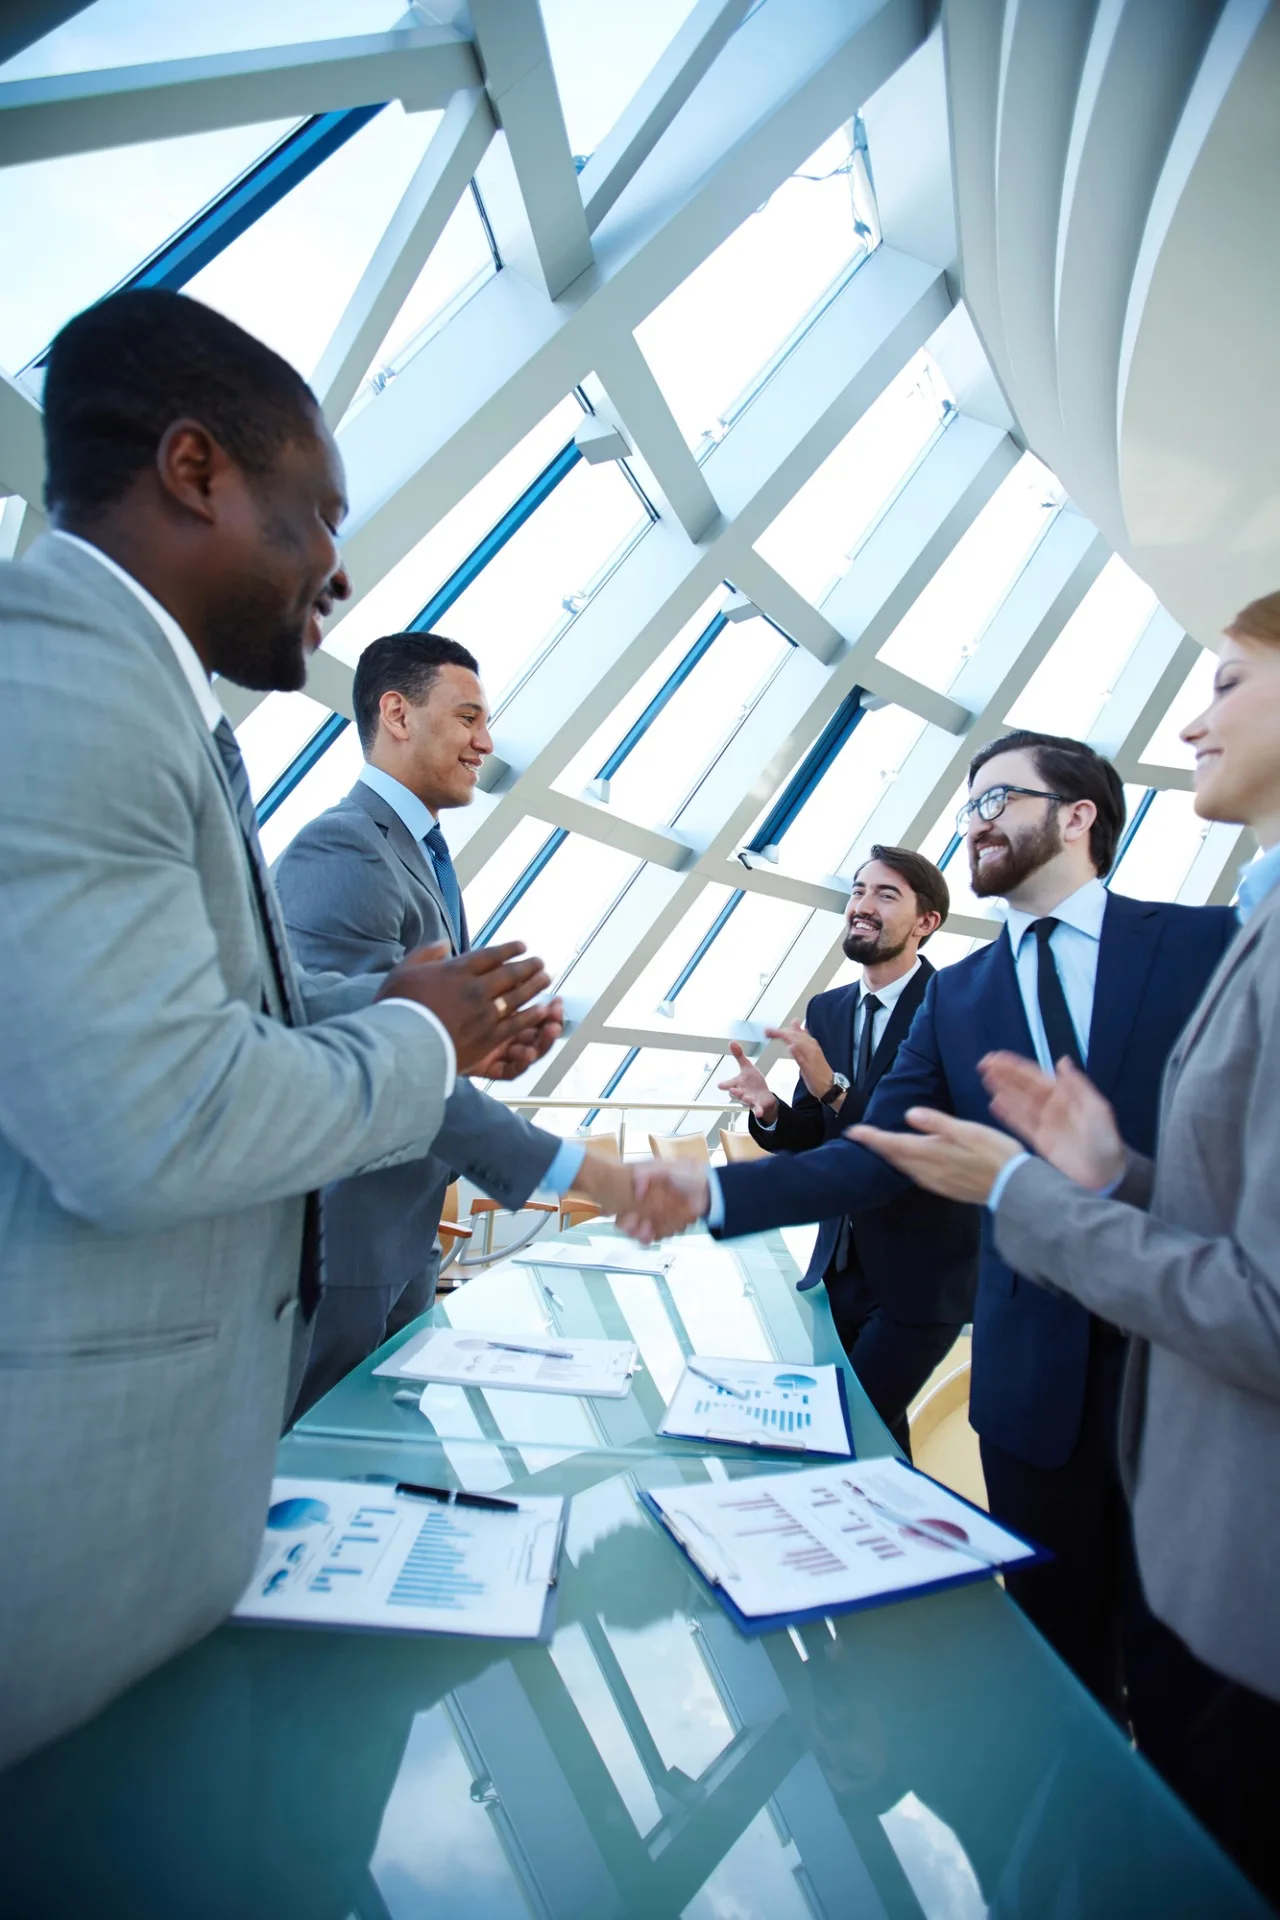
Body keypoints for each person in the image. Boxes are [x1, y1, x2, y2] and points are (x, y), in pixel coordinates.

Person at [0, 289, 557, 1768]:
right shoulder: (67, 678)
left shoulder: (152, 708)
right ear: (195, 472)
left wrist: (402, 1016)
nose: (335, 566)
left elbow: (192, 1023)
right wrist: (420, 1039)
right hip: (65, 1560)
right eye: (314, 514)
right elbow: (159, 1120)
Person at [622, 729, 1237, 1737]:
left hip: (1190, 1382)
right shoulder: (955, 996)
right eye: (966, 805)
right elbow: (874, 1151)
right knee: (1052, 1676)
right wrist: (708, 1194)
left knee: (1191, 1703)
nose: (974, 819)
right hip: (1030, 1388)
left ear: (1078, 815)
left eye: (998, 796)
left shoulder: (1203, 946)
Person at [845, 595, 1280, 1907]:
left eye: (1229, 683)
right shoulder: (975, 985)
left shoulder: (1221, 941)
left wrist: (1034, 1197)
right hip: (1084, 1420)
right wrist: (1116, 1173)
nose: (1194, 720)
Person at [275, 632, 632, 1417]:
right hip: (344, 1246)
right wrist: (585, 1173)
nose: (486, 741)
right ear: (396, 713)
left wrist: (483, 1046)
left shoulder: (418, 852)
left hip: (399, 1234)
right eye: (468, 716)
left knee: (379, 1469)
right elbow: (359, 1054)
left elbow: (408, 1039)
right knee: (313, 1475)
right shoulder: (344, 850)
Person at [717, 847, 978, 1452]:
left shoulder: (957, 1008)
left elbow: (918, 1140)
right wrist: (771, 1110)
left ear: (926, 922)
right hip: (839, 1267)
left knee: (840, 1425)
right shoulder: (827, 1009)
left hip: (923, 1275)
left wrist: (831, 1087)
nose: (861, 906)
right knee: (871, 1433)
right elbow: (814, 1131)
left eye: (885, 895)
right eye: (858, 891)